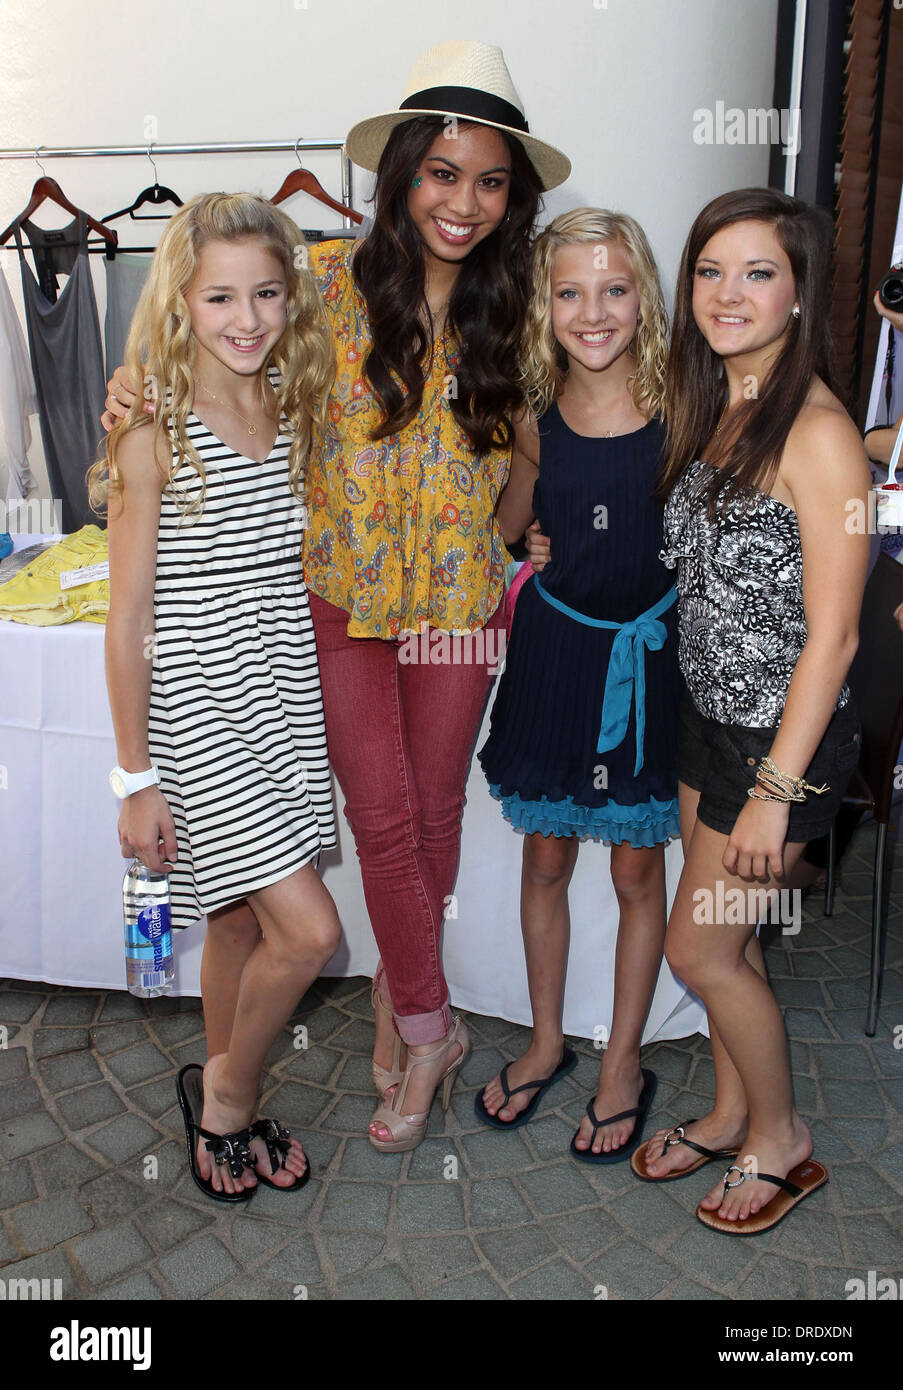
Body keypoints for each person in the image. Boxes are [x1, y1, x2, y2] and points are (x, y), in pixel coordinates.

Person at [102, 40, 572, 1153]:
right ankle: (428, 1024)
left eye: (491, 179)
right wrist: (137, 389)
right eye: (443, 172)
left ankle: (396, 998)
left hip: (457, 616)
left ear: (514, 196)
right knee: (380, 817)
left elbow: (530, 454)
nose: (465, 201)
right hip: (342, 604)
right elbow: (212, 343)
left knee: (436, 815)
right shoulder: (318, 287)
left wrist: (498, 545)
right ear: (403, 172)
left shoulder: (516, 313)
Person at [91, 192, 343, 1201]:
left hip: (285, 702)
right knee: (313, 932)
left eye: (269, 293)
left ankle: (216, 1085)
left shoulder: (292, 396)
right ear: (182, 302)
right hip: (198, 714)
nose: (248, 318)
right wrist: (134, 778)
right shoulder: (152, 424)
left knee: (238, 920)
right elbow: (127, 620)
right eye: (222, 296)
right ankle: (230, 1094)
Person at [629, 188, 869, 1234]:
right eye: (711, 271)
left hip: (782, 743)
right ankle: (731, 1108)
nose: (727, 294)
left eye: (757, 272)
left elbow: (838, 636)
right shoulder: (720, 400)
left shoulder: (817, 433)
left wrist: (776, 792)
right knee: (735, 943)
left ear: (800, 291)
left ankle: (781, 1138)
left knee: (701, 950)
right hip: (708, 715)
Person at [474, 209, 683, 1161]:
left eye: (612, 288)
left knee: (639, 872)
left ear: (643, 295)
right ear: (544, 305)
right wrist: (526, 540)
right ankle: (549, 1039)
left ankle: (622, 1061)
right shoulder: (533, 411)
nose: (591, 311)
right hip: (557, 660)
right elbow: (514, 519)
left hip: (646, 665)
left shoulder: (689, 405)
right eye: (568, 292)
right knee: (546, 863)